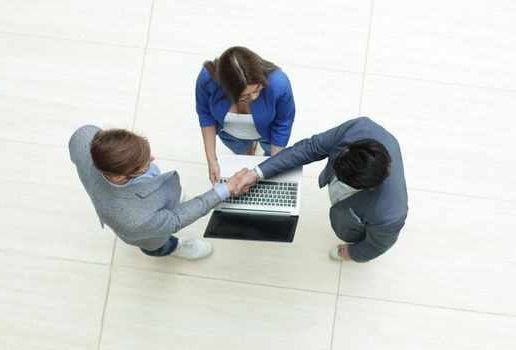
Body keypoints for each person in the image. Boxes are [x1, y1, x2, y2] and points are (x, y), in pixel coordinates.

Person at [233, 117, 408, 262]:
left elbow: (377, 245)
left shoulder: (390, 215)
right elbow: (311, 148)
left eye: (341, 178)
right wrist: (257, 173)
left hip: (355, 220)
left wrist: (352, 253)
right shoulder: (359, 128)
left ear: (366, 187)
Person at [69, 125, 248, 260]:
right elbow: (176, 218)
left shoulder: (83, 136)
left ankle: (164, 200)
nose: (152, 159)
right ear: (118, 177)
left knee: (163, 199)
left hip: (142, 199)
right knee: (157, 245)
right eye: (143, 164)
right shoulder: (137, 219)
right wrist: (225, 189)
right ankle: (173, 247)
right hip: (148, 233)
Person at [195, 46, 296, 184]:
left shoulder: (279, 83)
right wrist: (211, 160)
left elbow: (282, 124)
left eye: (258, 89)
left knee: (267, 159)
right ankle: (249, 149)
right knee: (245, 157)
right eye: (245, 95)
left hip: (268, 134)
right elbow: (205, 114)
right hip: (230, 135)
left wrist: (273, 167)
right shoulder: (207, 79)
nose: (254, 97)